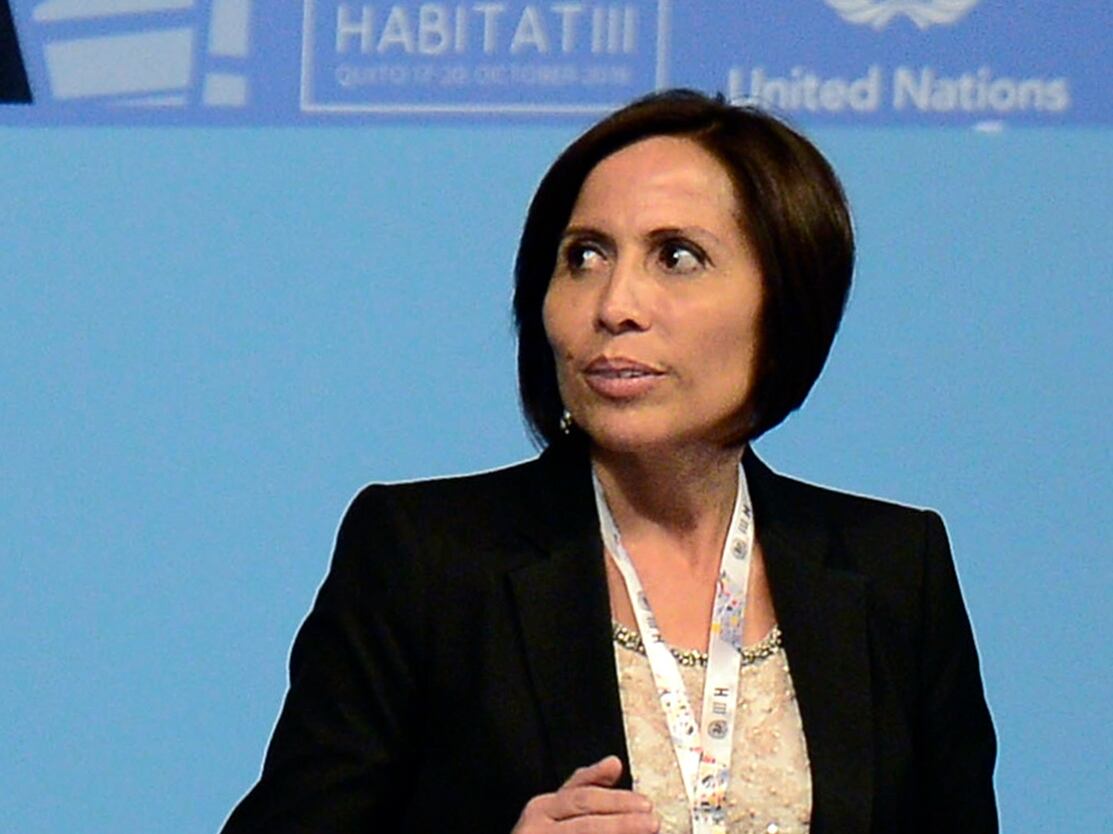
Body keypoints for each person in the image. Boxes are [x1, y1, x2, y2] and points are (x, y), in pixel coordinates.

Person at [221, 90, 997, 834]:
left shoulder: (895, 571)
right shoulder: (426, 558)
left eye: (677, 257)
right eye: (584, 255)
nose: (614, 303)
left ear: (786, 300)